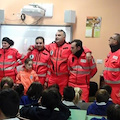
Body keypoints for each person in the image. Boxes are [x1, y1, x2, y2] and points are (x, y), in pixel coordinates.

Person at [29, 30, 92, 95]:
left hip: (63, 77)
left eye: (59, 35)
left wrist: (88, 52)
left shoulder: (69, 46)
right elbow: (40, 46)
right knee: (51, 94)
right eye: (56, 35)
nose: (56, 37)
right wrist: (32, 46)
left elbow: (80, 47)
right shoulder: (51, 46)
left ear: (64, 37)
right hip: (52, 77)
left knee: (62, 95)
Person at [103, 33, 120, 105]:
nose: (109, 40)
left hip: (116, 88)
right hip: (107, 86)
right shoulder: (111, 53)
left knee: (115, 108)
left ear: (115, 41)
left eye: (111, 38)